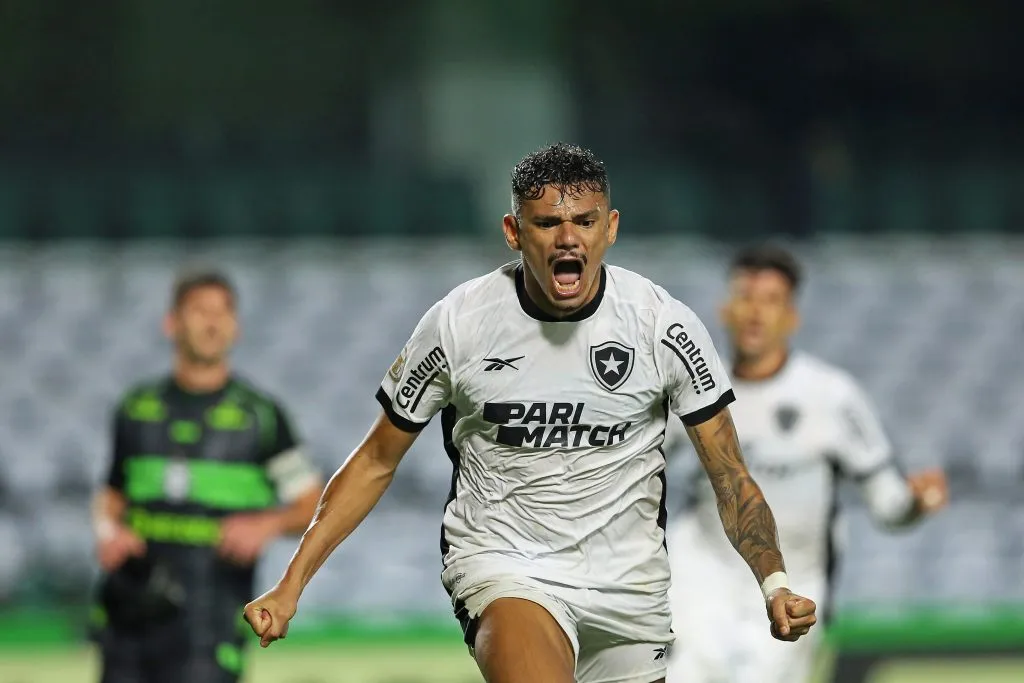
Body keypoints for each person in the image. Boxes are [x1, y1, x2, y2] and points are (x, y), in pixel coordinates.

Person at [244, 143, 817, 683]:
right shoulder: (459, 324)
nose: (568, 239)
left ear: (610, 228)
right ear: (514, 233)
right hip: (507, 567)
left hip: (630, 589)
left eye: (585, 222)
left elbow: (729, 475)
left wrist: (773, 582)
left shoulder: (662, 326)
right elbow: (373, 461)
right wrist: (291, 584)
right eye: (547, 224)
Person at [665, 245, 949, 683]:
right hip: (705, 577)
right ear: (725, 309)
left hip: (795, 586)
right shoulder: (691, 392)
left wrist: (915, 502)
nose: (756, 313)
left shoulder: (832, 396)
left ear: (791, 317)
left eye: (771, 301)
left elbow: (888, 505)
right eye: (746, 297)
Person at [91, 268, 323, 683]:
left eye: (223, 312)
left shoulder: (262, 417)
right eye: (200, 311)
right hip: (130, 616)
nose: (213, 322)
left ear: (235, 326)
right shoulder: (135, 409)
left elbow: (314, 506)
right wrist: (109, 531)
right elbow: (111, 496)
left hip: (211, 619)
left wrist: (265, 525)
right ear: (172, 323)